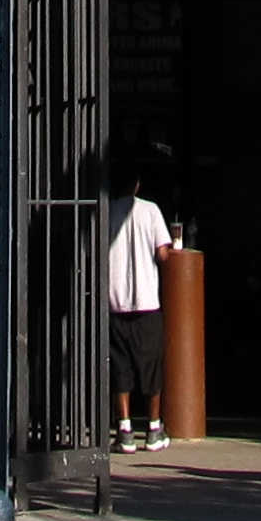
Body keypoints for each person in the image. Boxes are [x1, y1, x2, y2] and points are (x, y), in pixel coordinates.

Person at [103, 173, 176, 453]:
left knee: (120, 366)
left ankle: (124, 429)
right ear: (137, 184)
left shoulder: (107, 210)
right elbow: (162, 254)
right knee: (150, 365)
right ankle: (154, 428)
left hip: (115, 300)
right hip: (147, 301)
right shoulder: (151, 210)